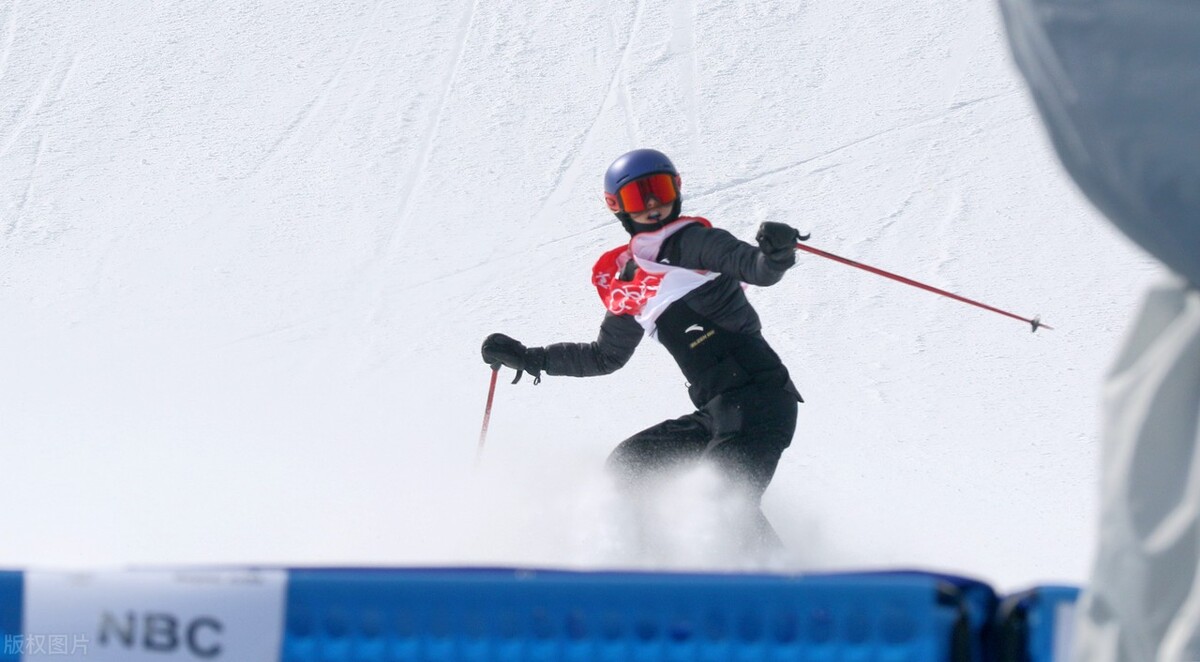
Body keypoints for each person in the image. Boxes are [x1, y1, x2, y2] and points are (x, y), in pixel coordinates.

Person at [481, 148, 805, 552]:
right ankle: (652, 568)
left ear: (678, 189)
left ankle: (788, 588)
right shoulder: (630, 282)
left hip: (760, 399)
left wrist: (775, 256)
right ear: (616, 207)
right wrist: (532, 358)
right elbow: (604, 357)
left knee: (719, 502)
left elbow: (752, 266)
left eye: (660, 190)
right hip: (717, 413)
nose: (653, 204)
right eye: (639, 196)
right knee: (631, 466)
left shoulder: (696, 241)